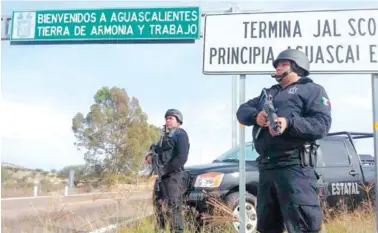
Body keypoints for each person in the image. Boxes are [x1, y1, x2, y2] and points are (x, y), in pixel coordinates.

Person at [236, 49, 332, 233]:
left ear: (297, 66)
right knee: (266, 226)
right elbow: (242, 111)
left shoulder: (312, 90)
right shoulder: (268, 93)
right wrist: (257, 117)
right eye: (276, 65)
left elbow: (322, 125)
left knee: (303, 225)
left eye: (283, 64)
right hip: (267, 168)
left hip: (295, 168)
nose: (278, 68)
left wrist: (288, 122)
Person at [145, 109, 190, 233]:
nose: (168, 120)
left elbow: (182, 157)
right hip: (162, 178)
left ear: (178, 120)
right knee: (159, 208)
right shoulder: (164, 137)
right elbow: (156, 149)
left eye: (171, 118)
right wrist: (149, 155)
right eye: (166, 118)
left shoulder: (181, 134)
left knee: (174, 209)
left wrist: (165, 170)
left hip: (174, 177)